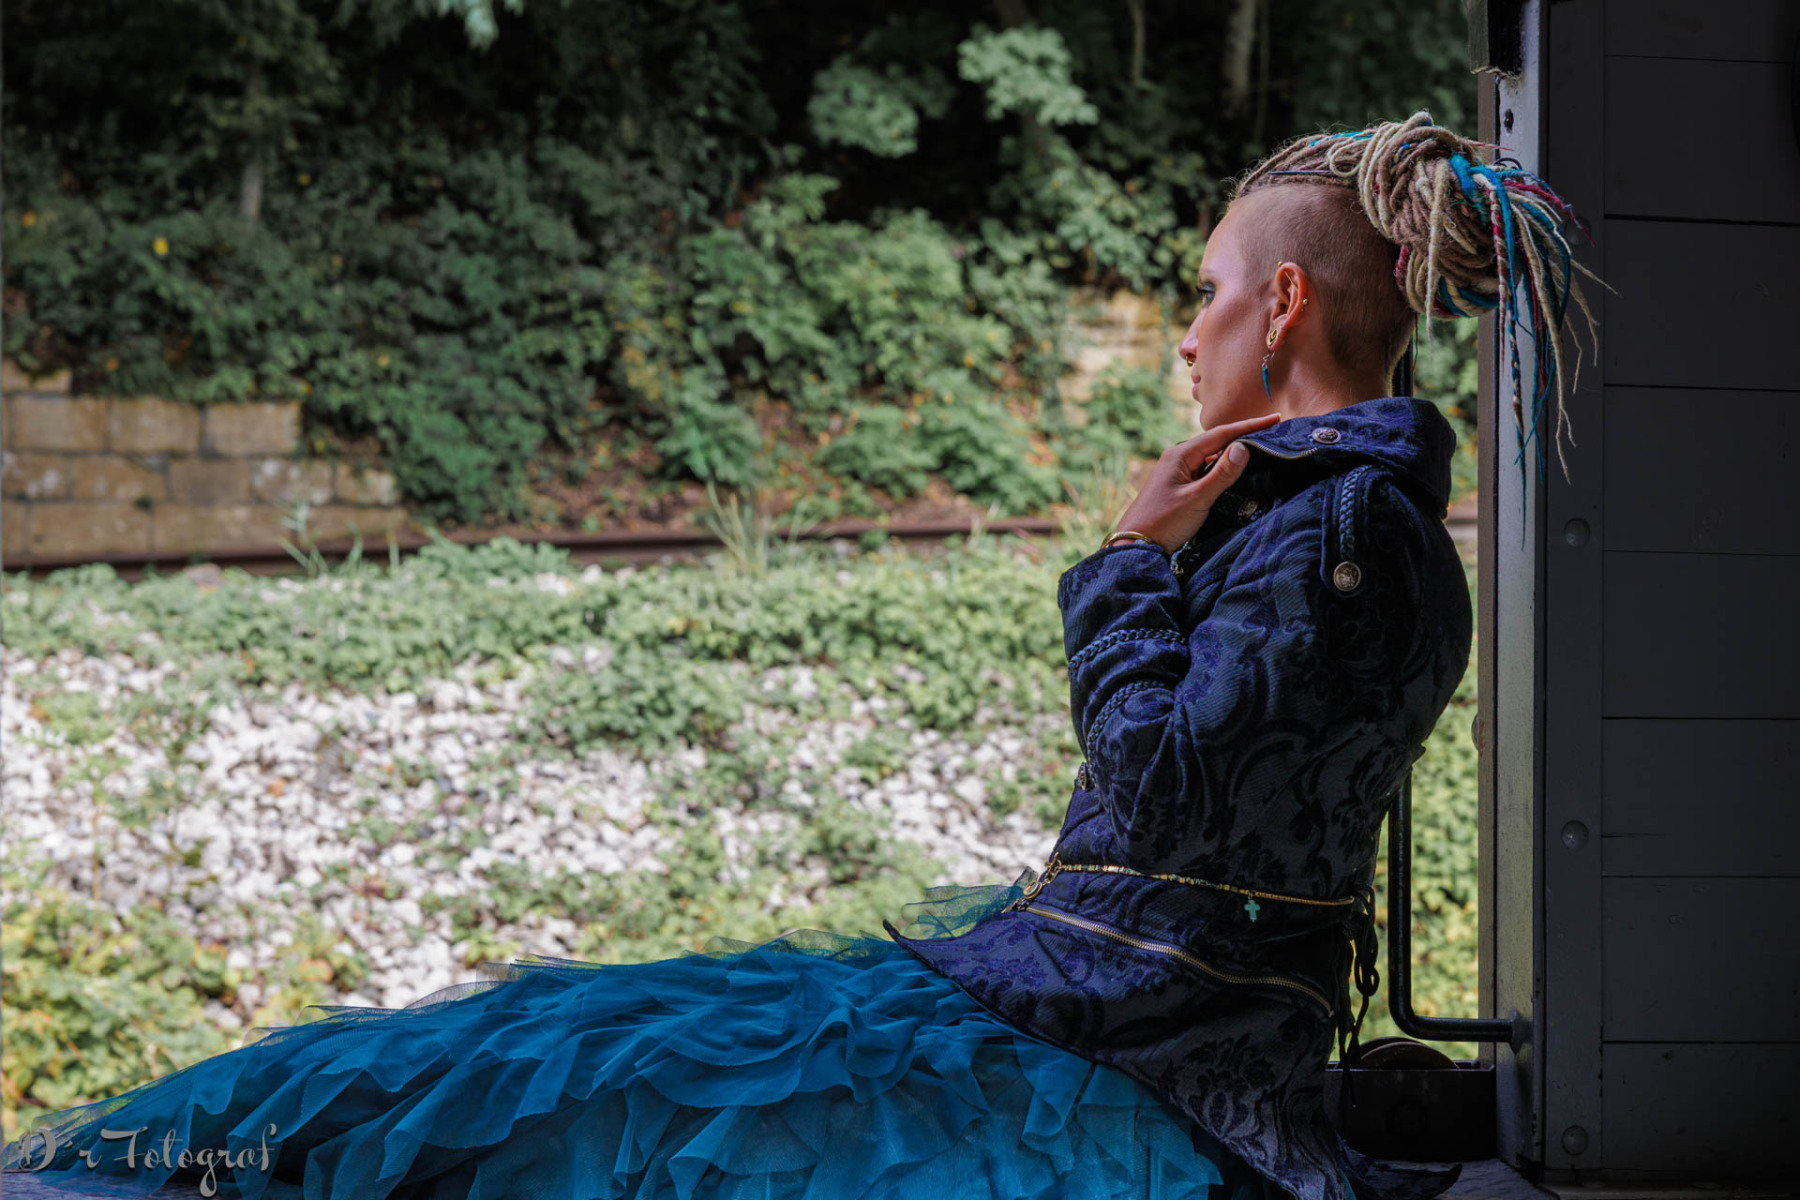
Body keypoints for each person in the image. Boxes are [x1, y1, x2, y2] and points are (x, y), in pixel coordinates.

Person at [1, 111, 1596, 1200]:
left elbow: (1167, 794)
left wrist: (1124, 565)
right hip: (1090, 997)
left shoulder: (1337, 533)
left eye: (1209, 294)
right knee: (589, 1050)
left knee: (615, 1082)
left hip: (1133, 1051)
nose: (1189, 332)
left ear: (1285, 302)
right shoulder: (1333, 515)